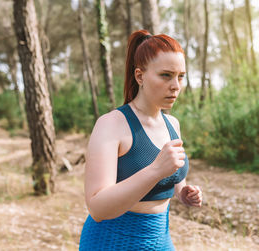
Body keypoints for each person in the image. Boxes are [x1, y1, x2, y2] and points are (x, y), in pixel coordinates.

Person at [79, 30, 203, 251]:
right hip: (112, 241)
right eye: (166, 75)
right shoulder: (111, 124)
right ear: (140, 76)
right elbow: (97, 207)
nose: (176, 85)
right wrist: (155, 169)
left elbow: (170, 177)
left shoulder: (172, 124)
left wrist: (183, 192)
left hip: (160, 238)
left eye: (180, 76)